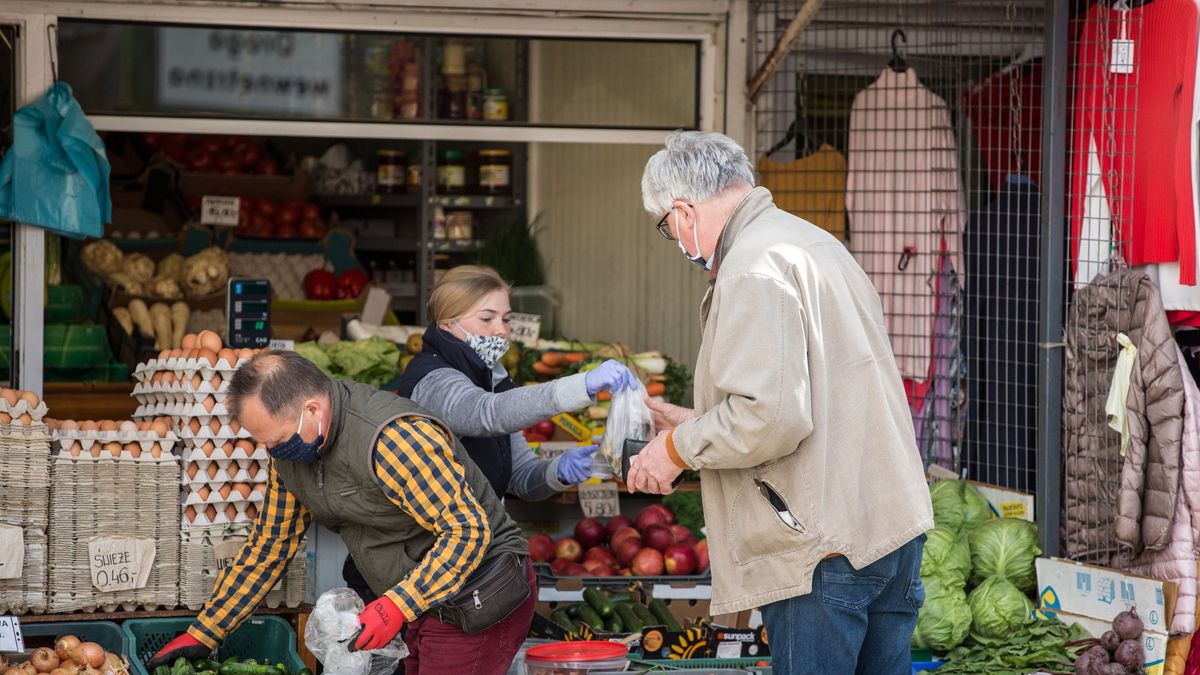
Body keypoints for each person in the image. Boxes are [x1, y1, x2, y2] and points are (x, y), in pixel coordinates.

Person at [627, 131, 933, 674]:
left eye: (665, 223)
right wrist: (698, 422)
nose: (671, 234)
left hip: (822, 550)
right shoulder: (813, 243)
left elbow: (768, 418)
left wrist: (675, 448)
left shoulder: (751, 266)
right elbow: (816, 394)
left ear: (683, 210)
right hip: (887, 525)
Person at [145, 350, 534, 675]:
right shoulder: (292, 456)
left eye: (278, 440)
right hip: (422, 598)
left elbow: (467, 531)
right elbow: (269, 547)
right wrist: (206, 631)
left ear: (312, 408)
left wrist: (398, 604)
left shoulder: (392, 440)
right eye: (265, 444)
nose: (273, 453)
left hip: (479, 594)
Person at [344, 265, 636, 603]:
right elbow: (487, 413)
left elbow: (520, 477)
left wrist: (561, 471)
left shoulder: (492, 376)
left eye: (507, 319)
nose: (501, 331)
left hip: (462, 567)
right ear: (447, 323)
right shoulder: (432, 379)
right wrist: (580, 385)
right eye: (486, 319)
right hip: (409, 574)